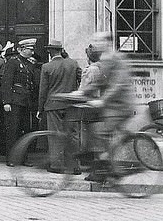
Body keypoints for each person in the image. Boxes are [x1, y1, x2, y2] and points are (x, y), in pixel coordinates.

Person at [76, 32, 135, 181]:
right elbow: (99, 82)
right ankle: (107, 165)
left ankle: (109, 165)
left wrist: (102, 100)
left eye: (99, 40)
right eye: (95, 40)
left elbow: (118, 85)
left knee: (101, 132)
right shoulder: (105, 59)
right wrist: (81, 92)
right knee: (98, 132)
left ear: (107, 43)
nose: (96, 43)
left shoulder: (117, 58)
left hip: (120, 106)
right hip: (111, 106)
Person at [37, 39, 81, 173]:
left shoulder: (46, 67)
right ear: (61, 50)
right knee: (73, 134)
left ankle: (57, 165)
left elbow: (43, 91)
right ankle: (74, 166)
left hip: (53, 105)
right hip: (70, 104)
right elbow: (81, 78)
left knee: (55, 135)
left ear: (50, 52)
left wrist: (40, 108)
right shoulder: (73, 63)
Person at [1, 38, 39, 166]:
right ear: (21, 49)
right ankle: (11, 159)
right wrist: (6, 102)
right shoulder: (13, 62)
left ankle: (23, 158)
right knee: (13, 130)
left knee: (25, 130)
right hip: (14, 101)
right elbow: (6, 83)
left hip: (26, 102)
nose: (32, 52)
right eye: (30, 49)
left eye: (32, 49)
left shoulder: (29, 64)